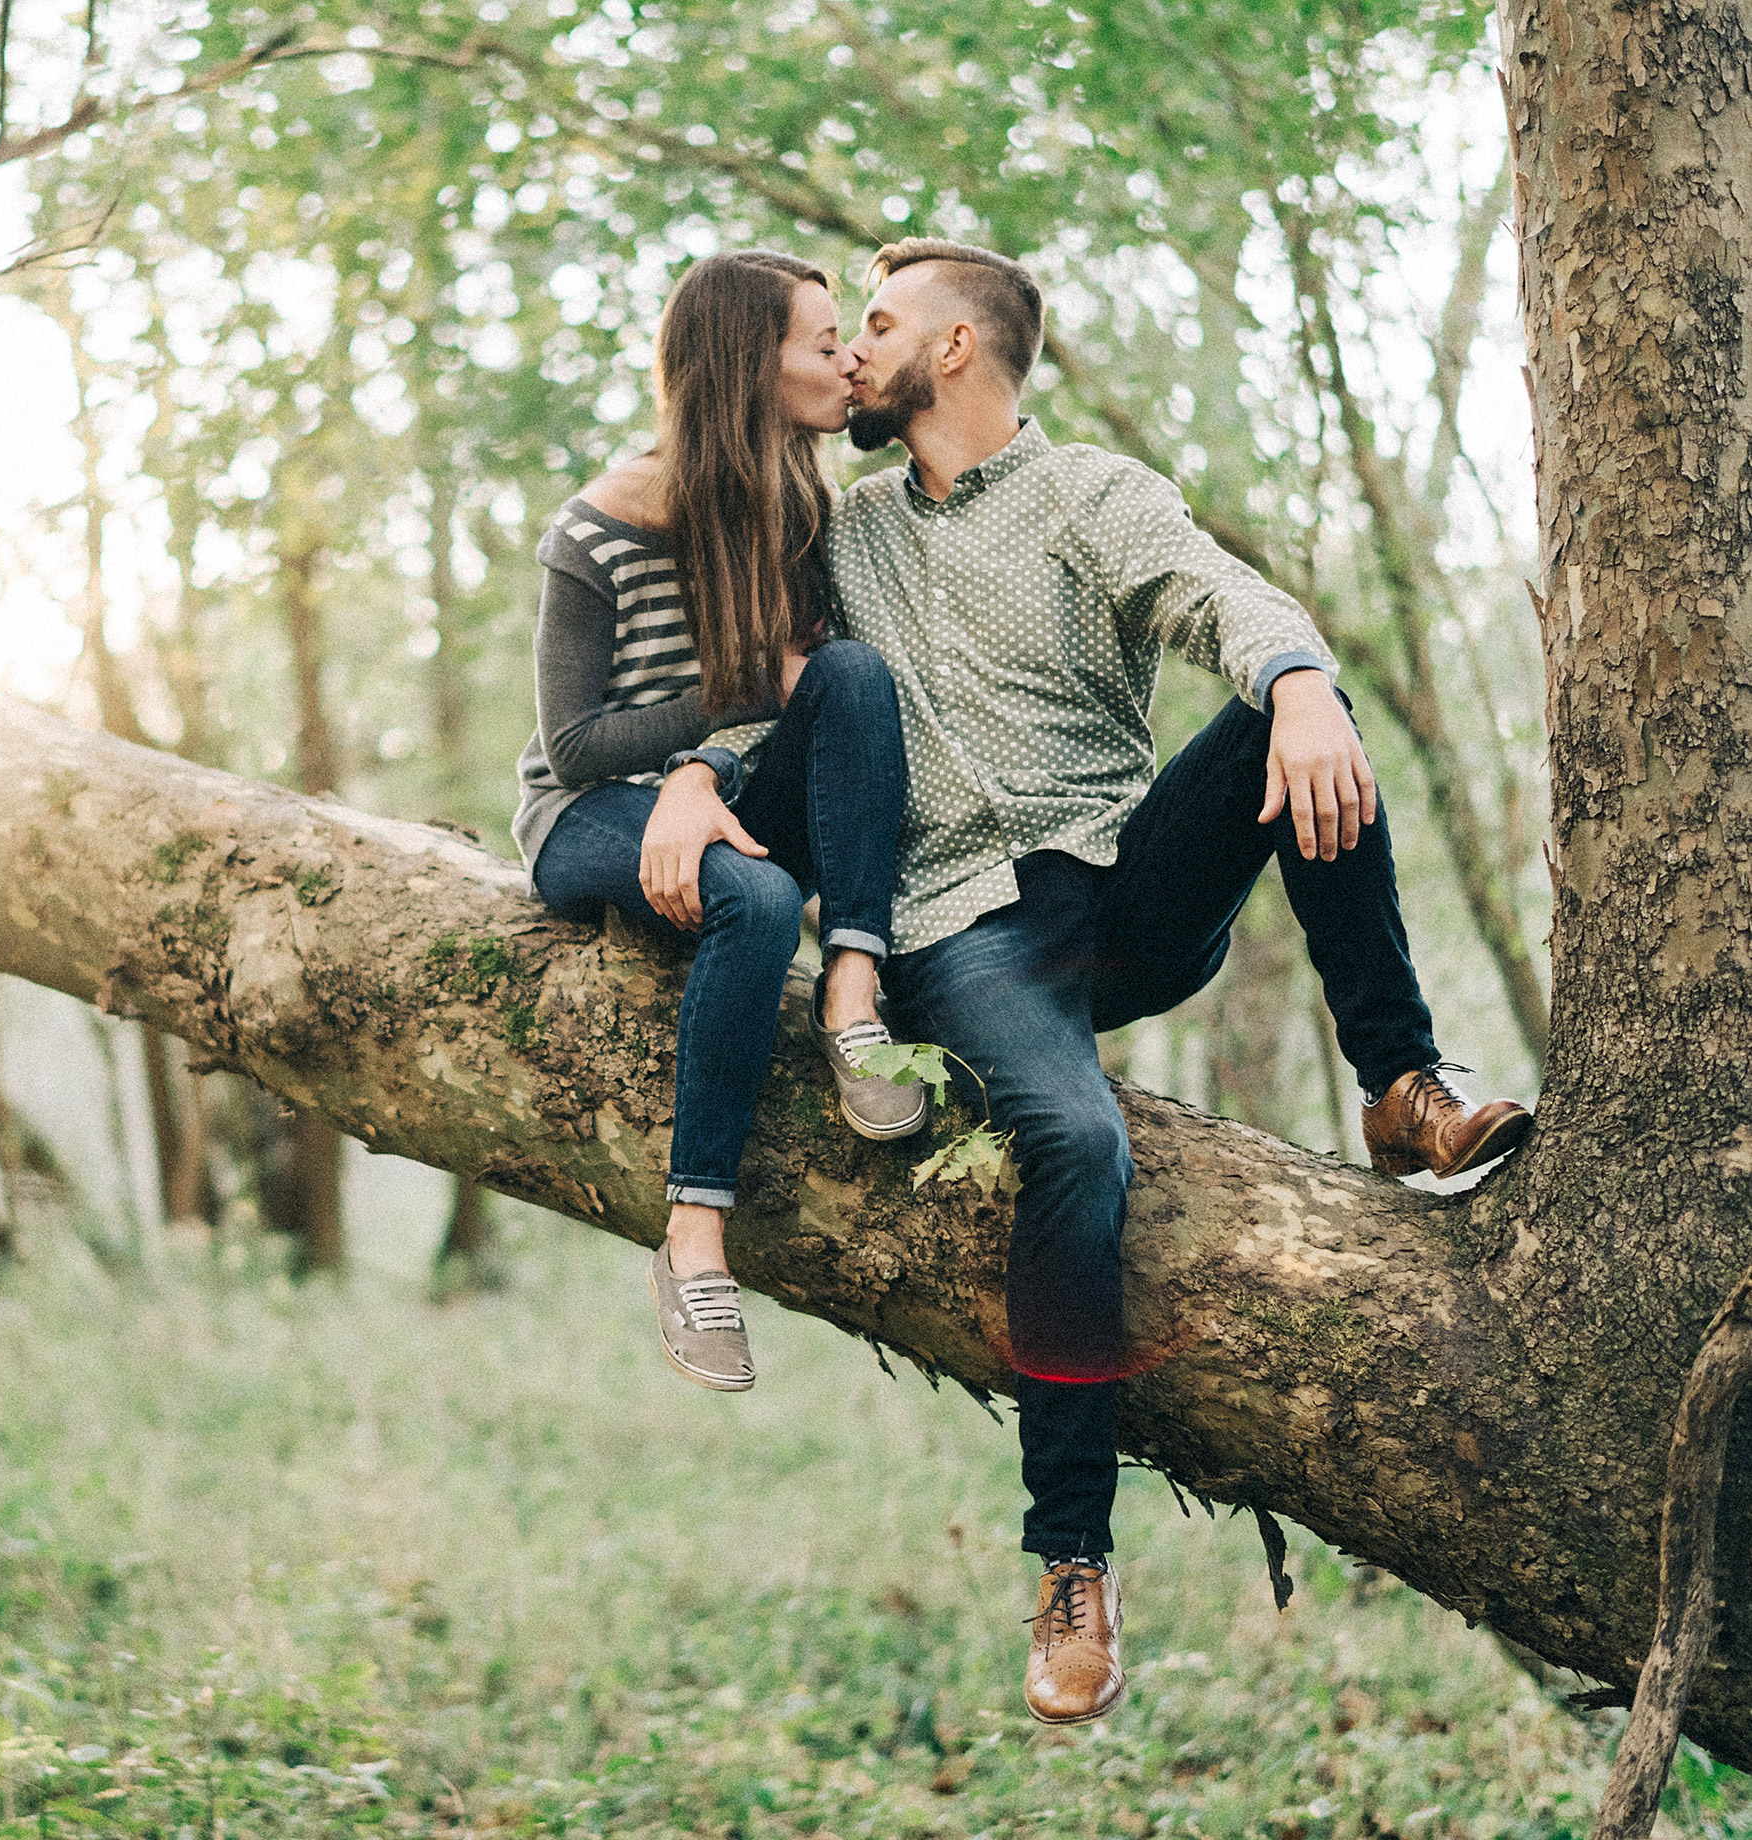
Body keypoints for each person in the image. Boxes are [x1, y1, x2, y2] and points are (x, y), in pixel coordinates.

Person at [815, 237, 1535, 1725]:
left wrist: (1304, 685)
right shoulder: (837, 535)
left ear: (957, 349)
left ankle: (1401, 1079)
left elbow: (1220, 594)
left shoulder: (1092, 497)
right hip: (963, 932)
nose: (852, 352)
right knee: (1077, 1142)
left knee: (1301, 721)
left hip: (1120, 893)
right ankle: (1071, 1557)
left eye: (876, 324)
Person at [511, 249, 923, 1393]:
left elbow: (807, 693)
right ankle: (694, 1235)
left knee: (851, 674)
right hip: (587, 815)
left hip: (724, 792)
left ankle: (852, 992)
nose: (845, 361)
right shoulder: (595, 529)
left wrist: (705, 766)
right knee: (747, 895)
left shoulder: (796, 506)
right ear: (751, 365)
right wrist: (716, 725)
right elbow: (577, 746)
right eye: (821, 341)